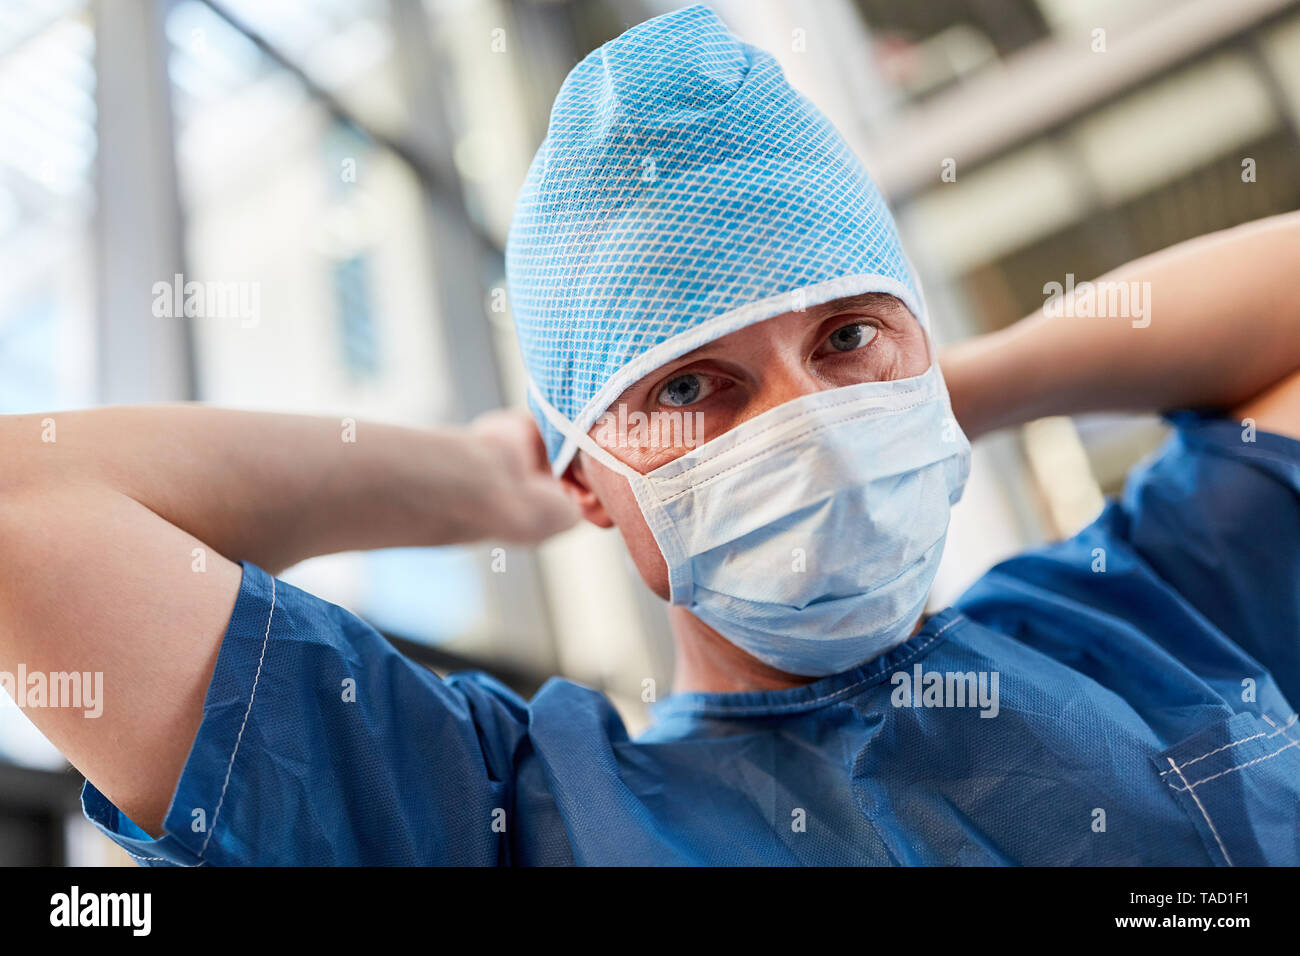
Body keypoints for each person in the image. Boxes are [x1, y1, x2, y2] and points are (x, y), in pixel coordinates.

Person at [2, 4, 1298, 866]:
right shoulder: (502, 813)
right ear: (592, 480)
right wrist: (469, 483)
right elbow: (24, 506)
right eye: (692, 387)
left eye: (847, 339)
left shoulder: (1160, 602)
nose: (814, 425)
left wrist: (940, 390)